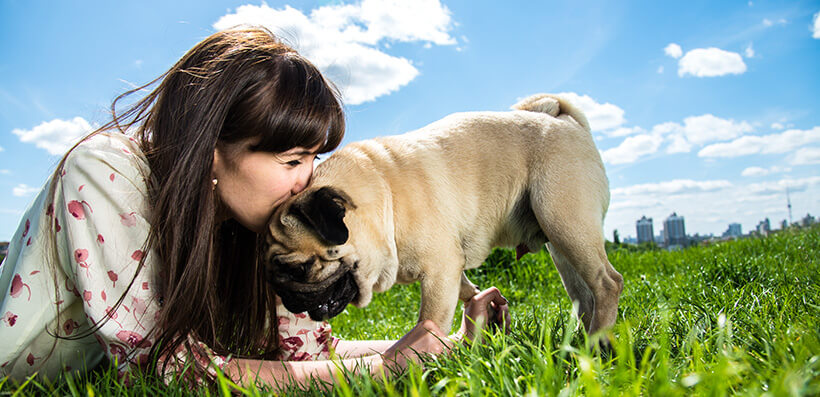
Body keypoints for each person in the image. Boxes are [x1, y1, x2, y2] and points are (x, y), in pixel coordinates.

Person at [0, 27, 510, 386]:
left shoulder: (258, 228)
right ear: (212, 150)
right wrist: (384, 369)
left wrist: (442, 340)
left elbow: (307, 360)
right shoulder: (106, 173)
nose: (309, 179)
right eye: (292, 159)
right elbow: (172, 372)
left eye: (315, 158)